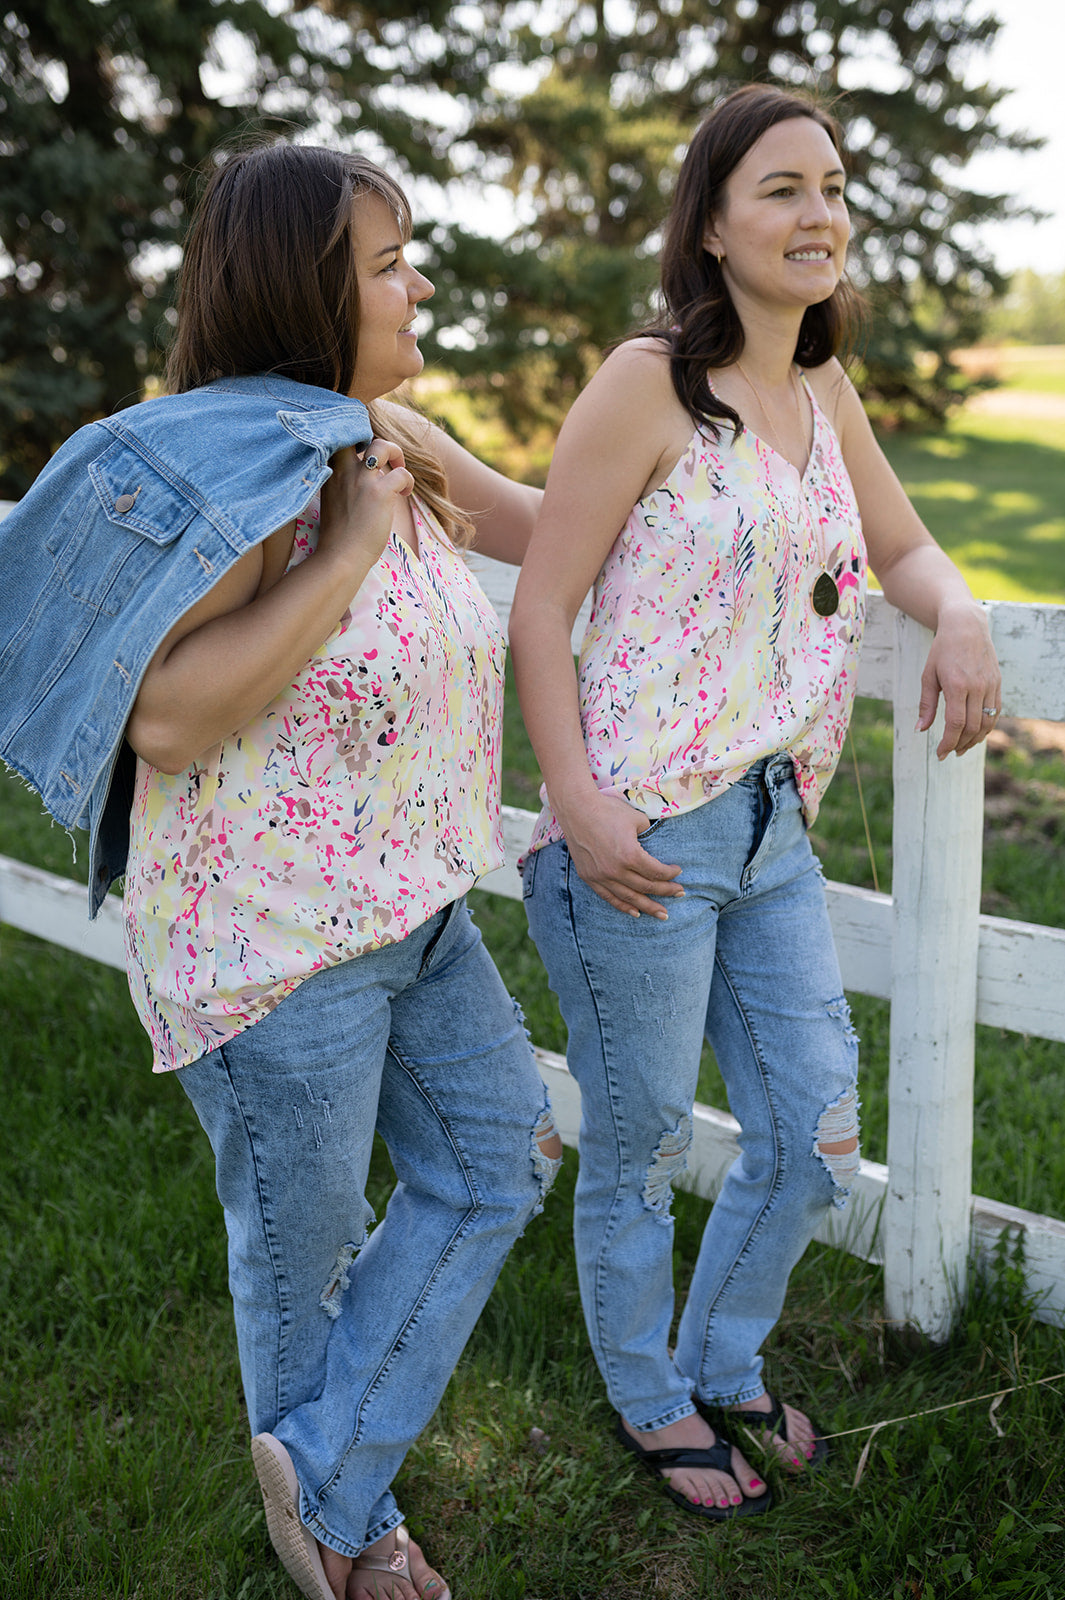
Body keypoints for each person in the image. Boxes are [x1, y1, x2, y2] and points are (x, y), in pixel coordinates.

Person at [508, 83, 1000, 1522]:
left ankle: (716, 1355)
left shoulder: (821, 391)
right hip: (639, 837)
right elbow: (545, 609)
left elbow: (901, 547)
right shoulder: (646, 381)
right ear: (712, 226)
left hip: (774, 826)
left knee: (812, 1133)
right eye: (781, 188)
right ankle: (648, 1397)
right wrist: (579, 807)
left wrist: (957, 611)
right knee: (643, 1135)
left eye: (834, 187)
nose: (819, 213)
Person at [111, 142, 562, 1600]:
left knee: (497, 1160)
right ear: (301, 289)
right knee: (301, 1265)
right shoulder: (230, 465)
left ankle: (330, 1472)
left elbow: (557, 532)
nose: (416, 279)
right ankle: (352, 1540)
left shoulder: (385, 430)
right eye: (387, 261)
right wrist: (350, 547)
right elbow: (170, 716)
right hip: (273, 945)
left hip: (413, 911)